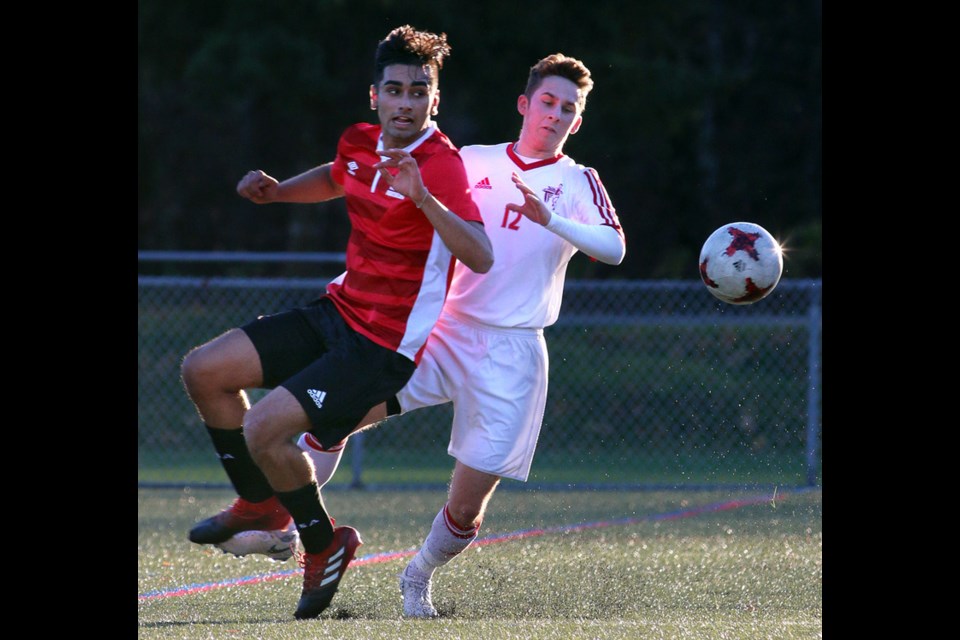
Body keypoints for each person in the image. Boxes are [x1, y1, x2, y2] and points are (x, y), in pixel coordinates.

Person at [218, 52, 625, 619]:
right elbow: (369, 190)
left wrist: (550, 219)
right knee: (332, 419)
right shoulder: (469, 160)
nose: (555, 115)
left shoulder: (579, 181)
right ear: (524, 105)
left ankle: (418, 577)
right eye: (548, 102)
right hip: (442, 328)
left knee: (468, 506)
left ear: (577, 121)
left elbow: (615, 247)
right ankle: (287, 524)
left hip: (513, 351)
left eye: (569, 108)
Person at [181, 24, 493, 621]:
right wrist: (277, 194)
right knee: (204, 370)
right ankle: (260, 505)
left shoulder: (442, 165)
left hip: (382, 346)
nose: (406, 102)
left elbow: (480, 253)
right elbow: (336, 174)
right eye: (395, 89)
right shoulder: (358, 139)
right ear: (374, 95)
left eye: (419, 90)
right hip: (336, 312)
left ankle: (321, 544)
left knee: (263, 431)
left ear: (434, 98)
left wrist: (425, 198)